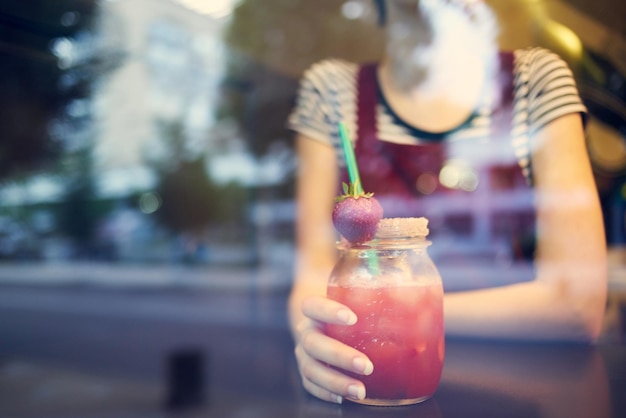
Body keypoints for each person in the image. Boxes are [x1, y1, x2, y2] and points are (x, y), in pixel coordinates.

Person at [286, 0, 607, 405]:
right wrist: (313, 336)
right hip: (371, 377)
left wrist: (396, 317)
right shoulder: (331, 90)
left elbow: (577, 305)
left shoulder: (535, 79)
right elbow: (312, 285)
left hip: (529, 390)